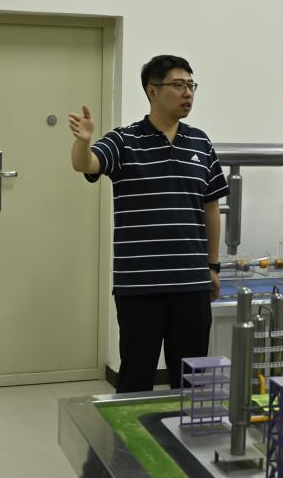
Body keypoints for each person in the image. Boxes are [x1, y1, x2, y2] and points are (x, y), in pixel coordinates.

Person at [69, 54, 227, 392]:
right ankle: (129, 429)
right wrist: (83, 143)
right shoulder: (124, 140)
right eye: (178, 85)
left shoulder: (200, 142)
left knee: (190, 380)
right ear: (152, 90)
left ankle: (184, 429)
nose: (188, 93)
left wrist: (213, 266)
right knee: (136, 377)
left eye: (191, 85)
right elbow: (87, 164)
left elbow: (211, 208)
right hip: (140, 284)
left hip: (191, 283)